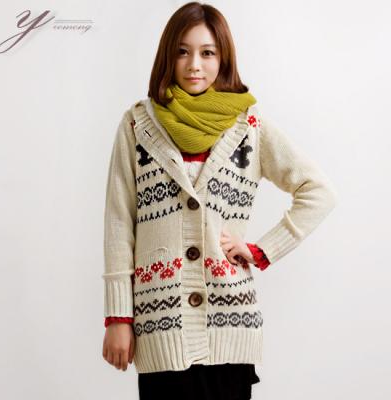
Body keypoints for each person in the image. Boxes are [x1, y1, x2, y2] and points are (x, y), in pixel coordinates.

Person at [101, 2, 338, 399]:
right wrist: (118, 317)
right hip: (161, 326)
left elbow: (318, 191)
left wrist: (262, 250)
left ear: (223, 58)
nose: (194, 64)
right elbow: (118, 222)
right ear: (168, 56)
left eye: (207, 52)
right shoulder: (138, 124)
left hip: (230, 323)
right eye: (182, 51)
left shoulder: (249, 127)